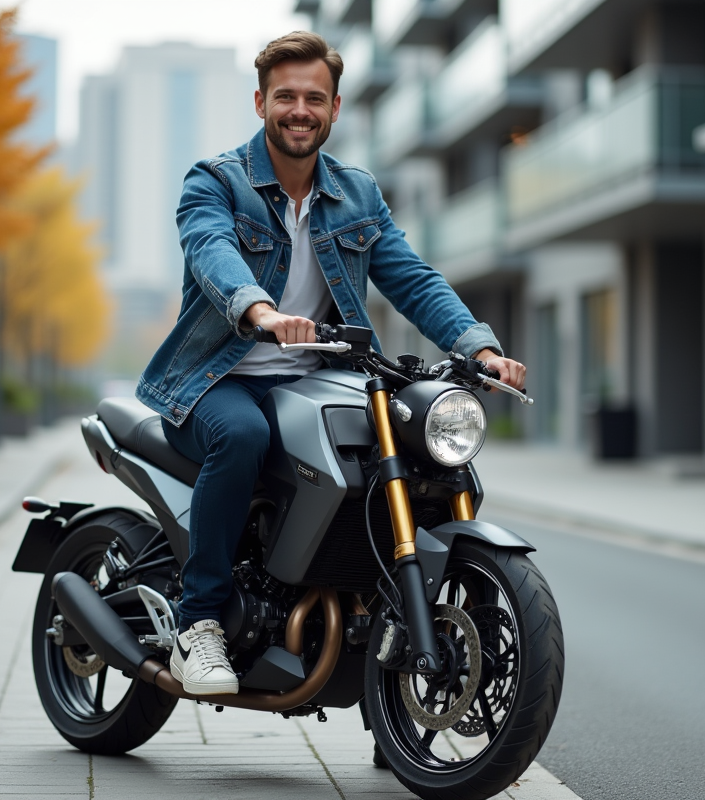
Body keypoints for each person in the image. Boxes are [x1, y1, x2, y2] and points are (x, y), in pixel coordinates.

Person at [135, 31, 527, 694]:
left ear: (335, 108)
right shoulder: (216, 181)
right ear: (260, 102)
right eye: (285, 96)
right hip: (216, 379)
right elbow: (212, 254)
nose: (299, 109)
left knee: (398, 447)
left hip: (318, 377)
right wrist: (258, 312)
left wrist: (476, 346)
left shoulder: (358, 193)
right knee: (244, 435)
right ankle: (199, 623)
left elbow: (411, 276)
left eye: (313, 97)